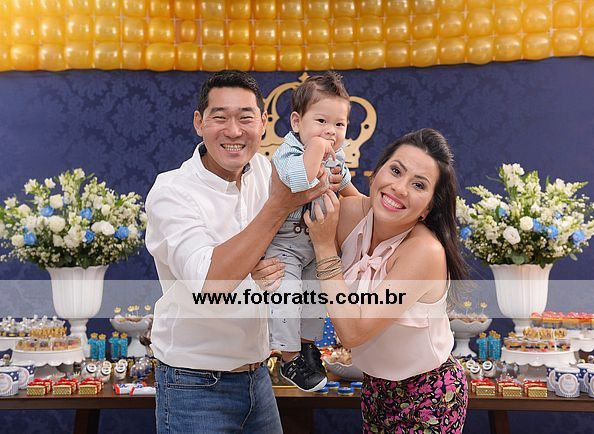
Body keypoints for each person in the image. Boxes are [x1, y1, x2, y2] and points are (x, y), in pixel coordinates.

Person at [145, 70, 334, 433]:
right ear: (199, 123)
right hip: (193, 382)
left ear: (264, 123)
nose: (234, 131)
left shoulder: (268, 170)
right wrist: (277, 207)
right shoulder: (172, 191)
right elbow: (210, 282)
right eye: (220, 117)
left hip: (258, 376)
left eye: (246, 117)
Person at [304, 128, 469, 432]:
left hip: (430, 394)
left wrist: (325, 247)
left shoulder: (425, 251)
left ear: (428, 208)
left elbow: (353, 332)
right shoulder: (351, 214)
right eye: (395, 170)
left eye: (418, 185)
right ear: (376, 172)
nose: (399, 188)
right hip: (375, 389)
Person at [266, 71, 360, 392]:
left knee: (315, 299)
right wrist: (318, 147)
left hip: (316, 244)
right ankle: (289, 358)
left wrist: (370, 212)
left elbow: (349, 192)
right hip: (285, 245)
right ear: (296, 122)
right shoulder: (288, 153)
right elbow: (301, 180)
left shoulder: (336, 158)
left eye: (339, 124)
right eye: (321, 121)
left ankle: (307, 347)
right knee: (287, 297)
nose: (331, 131)